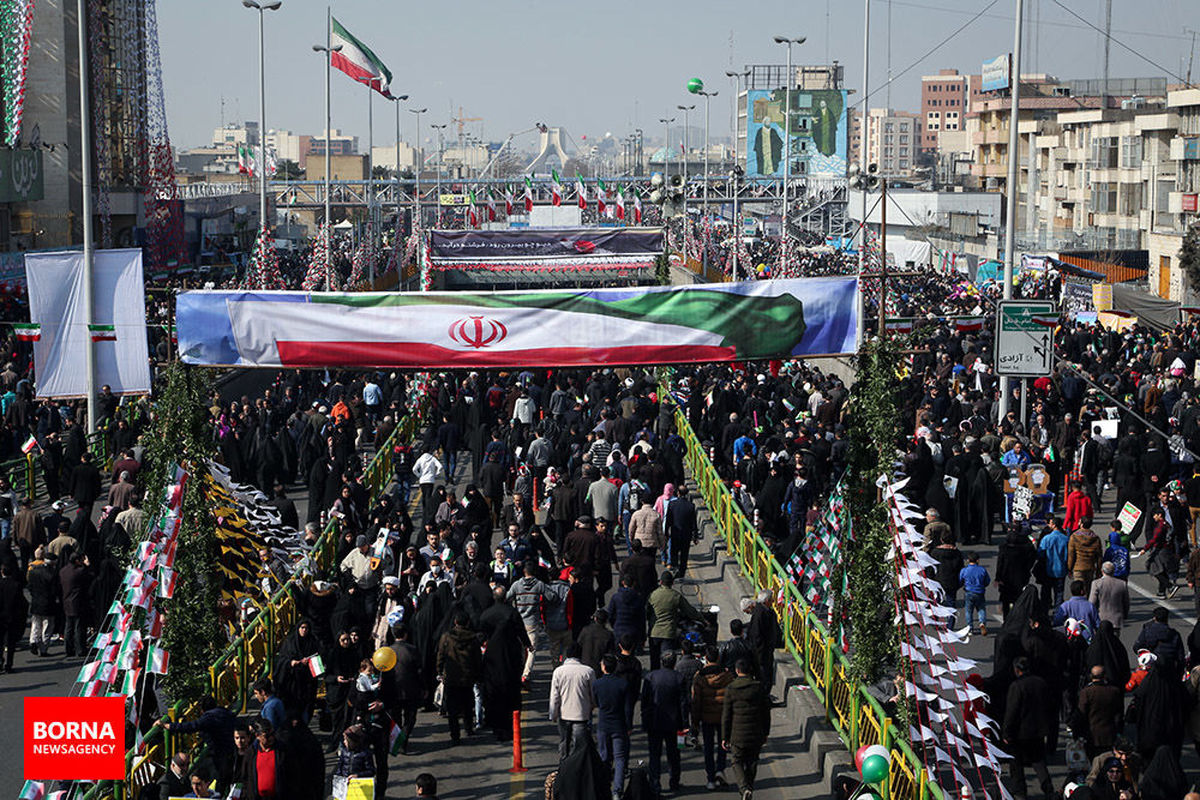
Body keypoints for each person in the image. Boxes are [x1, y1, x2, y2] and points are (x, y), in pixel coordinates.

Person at [1003, 656, 1055, 800]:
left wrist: (1007, 732)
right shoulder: (1041, 683)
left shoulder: (1017, 686)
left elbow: (1011, 712)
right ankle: (1048, 789)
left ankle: (1020, 793)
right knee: (1039, 762)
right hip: (1038, 730)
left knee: (1016, 764)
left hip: (1019, 733)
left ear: (1017, 670)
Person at [722, 658, 770, 800]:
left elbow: (726, 715)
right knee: (752, 761)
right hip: (756, 732)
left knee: (736, 761)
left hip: (737, 734)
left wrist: (725, 736)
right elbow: (766, 713)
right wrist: (766, 732)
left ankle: (744, 788)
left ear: (737, 671)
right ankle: (748, 786)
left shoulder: (731, 689)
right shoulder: (758, 687)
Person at [642, 650, 687, 795]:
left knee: (654, 755)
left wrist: (645, 721)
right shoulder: (679, 678)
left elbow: (645, 702)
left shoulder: (651, 677)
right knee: (674, 754)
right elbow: (683, 704)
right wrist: (686, 724)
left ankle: (655, 784)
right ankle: (674, 781)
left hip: (654, 722)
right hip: (675, 724)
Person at [435, 610, 482, 745]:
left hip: (451, 676)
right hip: (467, 676)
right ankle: (469, 728)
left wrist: (439, 671)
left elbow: (441, 655)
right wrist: (478, 675)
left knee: (452, 709)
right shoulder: (473, 639)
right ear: (467, 623)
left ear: (455, 622)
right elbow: (477, 659)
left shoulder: (446, 637)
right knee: (468, 705)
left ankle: (454, 734)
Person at [692, 644, 734, 790]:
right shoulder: (728, 676)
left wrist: (695, 723)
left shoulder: (699, 677)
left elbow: (696, 701)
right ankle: (720, 770)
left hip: (706, 718)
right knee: (723, 745)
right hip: (723, 717)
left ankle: (710, 778)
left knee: (708, 748)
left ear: (706, 659)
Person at [591, 654, 631, 798]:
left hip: (603, 725)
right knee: (620, 758)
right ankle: (617, 791)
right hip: (619, 725)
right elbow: (627, 708)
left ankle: (604, 786)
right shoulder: (623, 684)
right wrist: (628, 726)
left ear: (603, 667)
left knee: (604, 757)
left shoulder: (597, 684)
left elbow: (595, 702)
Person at [646, 571, 702, 671]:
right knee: (667, 662)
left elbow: (647, 613)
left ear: (661, 582)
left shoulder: (653, 595)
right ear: (672, 583)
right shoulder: (676, 596)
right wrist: (702, 619)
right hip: (669, 633)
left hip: (654, 633)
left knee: (654, 662)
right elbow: (690, 612)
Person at [549, 641, 595, 762]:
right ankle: (576, 767)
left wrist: (553, 714)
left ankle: (564, 765)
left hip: (564, 714)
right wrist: (592, 706)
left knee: (564, 742)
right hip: (581, 714)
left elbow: (555, 696)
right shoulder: (588, 671)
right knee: (579, 745)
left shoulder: (558, 672)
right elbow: (593, 694)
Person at [1077, 665, 1124, 759]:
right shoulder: (1114, 691)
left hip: (1091, 735)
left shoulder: (1086, 692)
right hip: (1109, 734)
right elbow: (1119, 713)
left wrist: (1078, 732)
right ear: (1105, 676)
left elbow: (1081, 714)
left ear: (1091, 676)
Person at [244, 719, 289, 800]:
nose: (271, 738)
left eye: (272, 734)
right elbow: (245, 777)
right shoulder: (251, 753)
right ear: (257, 736)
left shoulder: (282, 751)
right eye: (267, 736)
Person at [0, 562, 27, 673]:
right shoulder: (16, 585)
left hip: (0, 618)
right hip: (12, 617)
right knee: (11, 644)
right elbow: (21, 603)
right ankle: (9, 664)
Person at [1038, 518, 1070, 607]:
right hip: (1061, 570)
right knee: (1059, 593)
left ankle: (1045, 613)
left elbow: (1040, 554)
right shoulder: (1066, 539)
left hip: (1048, 569)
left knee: (1046, 592)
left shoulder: (1047, 538)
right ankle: (1058, 613)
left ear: (1054, 525)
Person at [1067, 517, 1104, 595]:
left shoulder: (1074, 537)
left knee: (1079, 589)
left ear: (1081, 524)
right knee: (1089, 590)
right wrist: (1098, 570)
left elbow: (1071, 555)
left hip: (1078, 567)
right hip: (1090, 567)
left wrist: (1069, 568)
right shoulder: (1096, 538)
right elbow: (1099, 556)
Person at [1088, 562, 1130, 630]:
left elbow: (1092, 602)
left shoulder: (1096, 583)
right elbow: (1126, 602)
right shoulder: (1122, 584)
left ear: (1102, 571)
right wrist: (1125, 615)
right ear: (1113, 571)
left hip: (1101, 619)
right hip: (1116, 619)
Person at [959, 552, 991, 636]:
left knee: (969, 611)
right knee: (981, 609)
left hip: (969, 592)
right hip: (980, 592)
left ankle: (970, 628)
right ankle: (982, 623)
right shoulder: (982, 570)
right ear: (977, 560)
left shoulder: (964, 570)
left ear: (968, 560)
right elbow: (987, 581)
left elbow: (960, 580)